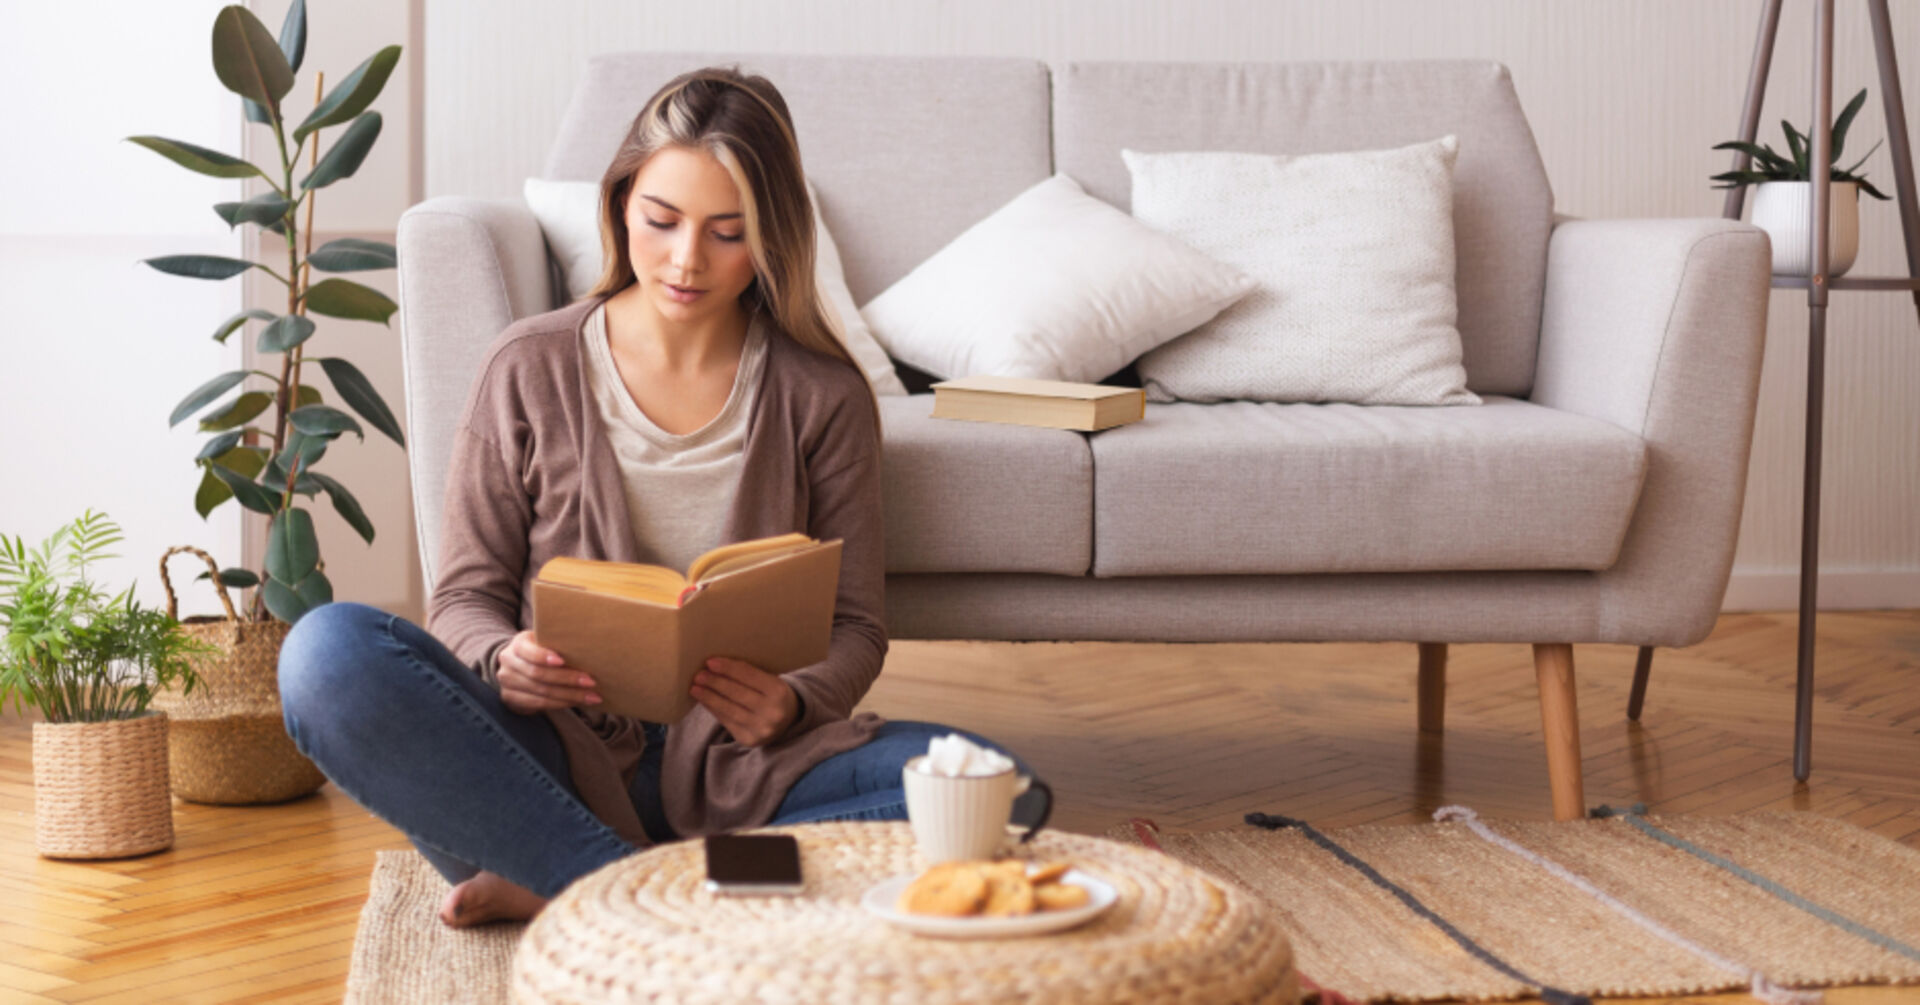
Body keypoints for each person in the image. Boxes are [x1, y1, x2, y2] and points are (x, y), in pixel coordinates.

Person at [276, 67, 1043, 928]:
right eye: (662, 220)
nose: (685, 260)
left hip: (755, 767)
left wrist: (795, 700)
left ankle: (587, 885)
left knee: (999, 791)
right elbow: (464, 599)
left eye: (727, 232)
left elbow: (858, 627)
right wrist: (504, 657)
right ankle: (669, 885)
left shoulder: (822, 394)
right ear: (619, 204)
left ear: (772, 237)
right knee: (326, 656)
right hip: (552, 762)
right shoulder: (527, 366)